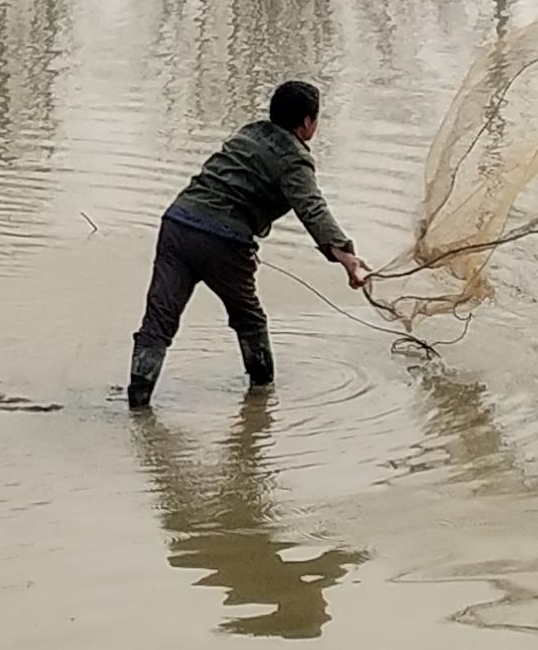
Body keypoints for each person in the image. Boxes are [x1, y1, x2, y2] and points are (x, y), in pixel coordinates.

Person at [128, 80, 370, 409]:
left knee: (159, 320)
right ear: (307, 123)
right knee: (249, 319)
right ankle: (262, 396)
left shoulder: (249, 132)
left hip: (177, 224)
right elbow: (312, 209)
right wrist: (347, 257)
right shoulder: (294, 159)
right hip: (223, 242)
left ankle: (138, 402)